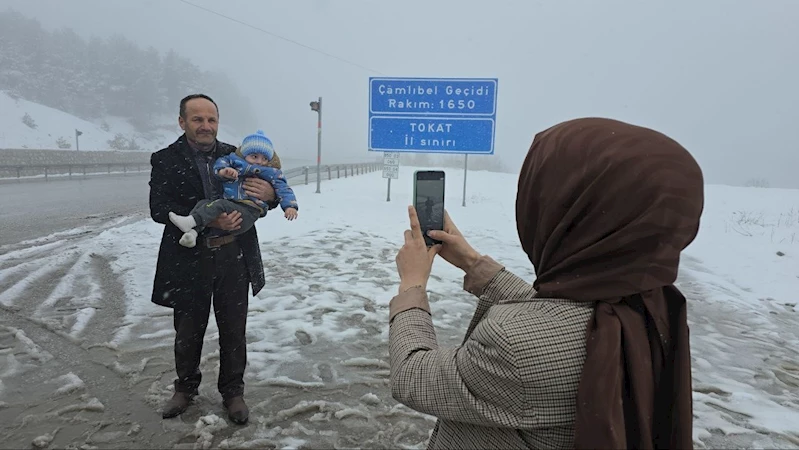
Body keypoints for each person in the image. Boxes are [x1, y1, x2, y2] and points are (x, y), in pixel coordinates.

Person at [390, 117, 703, 449]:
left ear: (568, 210)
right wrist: (473, 263)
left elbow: (413, 376)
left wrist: (412, 284)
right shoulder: (650, 309)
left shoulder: (511, 345)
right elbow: (565, 318)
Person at [149, 93, 280, 425]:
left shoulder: (234, 154)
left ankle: (233, 393)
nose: (206, 126)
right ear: (182, 122)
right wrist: (209, 219)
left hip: (234, 255)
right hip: (189, 258)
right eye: (197, 119)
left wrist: (271, 194)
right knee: (188, 331)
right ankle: (185, 389)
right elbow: (158, 209)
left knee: (234, 330)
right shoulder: (165, 159)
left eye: (211, 119)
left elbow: (270, 187)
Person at [168, 129, 299, 248]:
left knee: (220, 204)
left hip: (249, 212)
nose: (259, 161)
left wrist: (289, 206)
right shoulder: (234, 161)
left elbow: (284, 189)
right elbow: (221, 164)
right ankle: (192, 233)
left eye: (264, 158)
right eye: (254, 156)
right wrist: (223, 172)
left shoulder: (272, 172)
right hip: (232, 205)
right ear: (245, 155)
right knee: (203, 204)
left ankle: (190, 222)